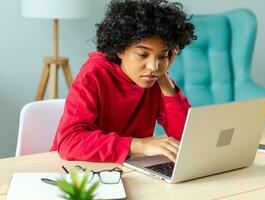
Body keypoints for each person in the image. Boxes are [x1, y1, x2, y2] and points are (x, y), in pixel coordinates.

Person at [50, 0, 196, 163]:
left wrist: (165, 81)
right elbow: (70, 142)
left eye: (163, 55)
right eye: (142, 54)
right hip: (77, 170)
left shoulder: (155, 79)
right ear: (120, 49)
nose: (153, 66)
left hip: (128, 168)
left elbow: (187, 139)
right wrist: (139, 145)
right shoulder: (94, 74)